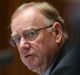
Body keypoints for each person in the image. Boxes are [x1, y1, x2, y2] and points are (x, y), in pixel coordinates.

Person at [9, 1, 80, 75]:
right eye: (17, 39)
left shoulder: (69, 70)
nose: (21, 45)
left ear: (56, 32)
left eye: (31, 33)